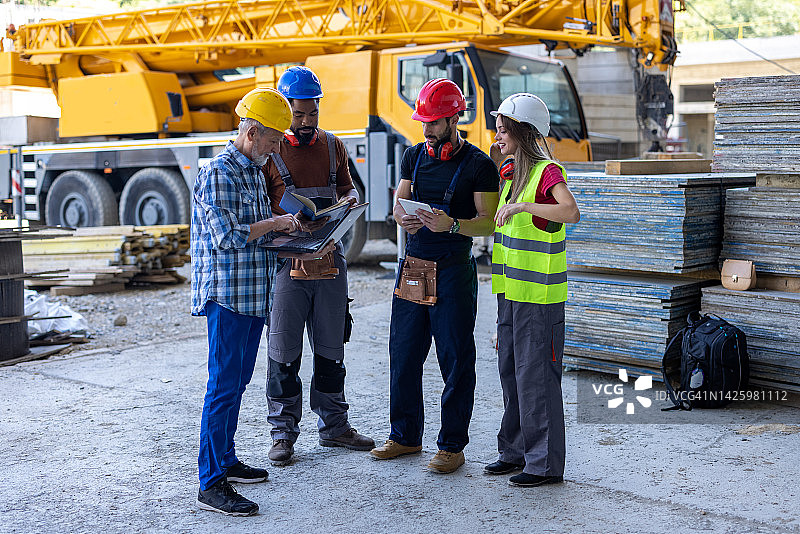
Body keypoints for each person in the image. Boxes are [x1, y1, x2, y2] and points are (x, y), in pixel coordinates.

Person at [191, 87, 333, 516]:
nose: (277, 150)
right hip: (229, 298)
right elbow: (228, 235)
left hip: (252, 296)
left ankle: (226, 459)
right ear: (252, 133)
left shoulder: (254, 169)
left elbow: (259, 233)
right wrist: (274, 222)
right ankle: (211, 481)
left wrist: (296, 236)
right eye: (272, 141)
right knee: (222, 388)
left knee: (235, 385)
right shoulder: (220, 173)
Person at [370, 78, 500, 474]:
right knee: (404, 353)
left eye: (435, 122)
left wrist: (453, 226)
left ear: (455, 118)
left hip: (453, 271)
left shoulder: (479, 165)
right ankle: (405, 437)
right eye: (423, 122)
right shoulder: (413, 156)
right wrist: (402, 217)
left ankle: (451, 446)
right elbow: (398, 202)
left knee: (455, 358)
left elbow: (490, 223)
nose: (427, 130)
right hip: (414, 267)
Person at [263, 66, 374, 467]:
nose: (307, 122)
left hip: (329, 258)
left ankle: (334, 426)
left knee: (331, 349)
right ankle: (283, 434)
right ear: (284, 110)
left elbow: (348, 188)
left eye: (313, 114)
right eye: (299, 115)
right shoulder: (270, 151)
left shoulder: (333, 146)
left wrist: (349, 200)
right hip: (286, 265)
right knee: (283, 352)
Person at [485, 93, 580, 487]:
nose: (497, 135)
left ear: (523, 132)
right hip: (511, 296)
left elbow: (570, 212)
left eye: (504, 129)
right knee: (511, 372)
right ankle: (515, 452)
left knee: (536, 378)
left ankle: (543, 465)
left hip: (539, 299)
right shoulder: (513, 176)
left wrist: (526, 209)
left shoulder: (546, 172)